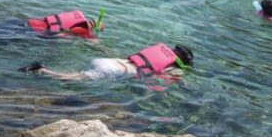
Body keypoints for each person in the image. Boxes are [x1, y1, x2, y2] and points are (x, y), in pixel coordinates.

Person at [21, 43, 193, 81]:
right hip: (115, 71)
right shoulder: (172, 69)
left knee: (76, 72)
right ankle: (43, 70)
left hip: (108, 61)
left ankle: (43, 69)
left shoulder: (157, 52)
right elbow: (159, 82)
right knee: (71, 78)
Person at [26, 10, 100, 39]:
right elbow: (95, 42)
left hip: (33, 21)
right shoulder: (84, 31)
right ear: (95, 28)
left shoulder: (78, 18)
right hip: (36, 30)